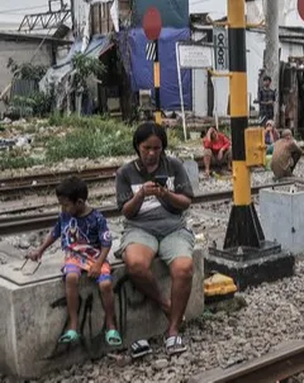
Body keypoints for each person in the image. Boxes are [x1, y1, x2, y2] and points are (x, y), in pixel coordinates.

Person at [115, 122, 195, 356]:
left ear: (163, 148)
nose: (151, 153)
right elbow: (127, 212)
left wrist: (165, 193)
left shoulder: (174, 166)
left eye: (156, 148)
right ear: (137, 147)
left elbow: (186, 202)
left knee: (184, 267)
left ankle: (172, 331)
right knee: (136, 264)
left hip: (173, 227)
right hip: (140, 228)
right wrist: (140, 195)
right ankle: (166, 305)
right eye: (146, 148)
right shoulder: (125, 173)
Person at [26, 177, 121, 347]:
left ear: (79, 202)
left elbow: (106, 243)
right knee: (71, 277)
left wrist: (98, 264)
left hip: (95, 257)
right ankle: (74, 325)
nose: (63, 208)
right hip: (74, 256)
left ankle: (110, 324)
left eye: (65, 204)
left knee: (106, 285)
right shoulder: (64, 216)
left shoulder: (97, 218)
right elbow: (55, 233)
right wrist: (40, 250)